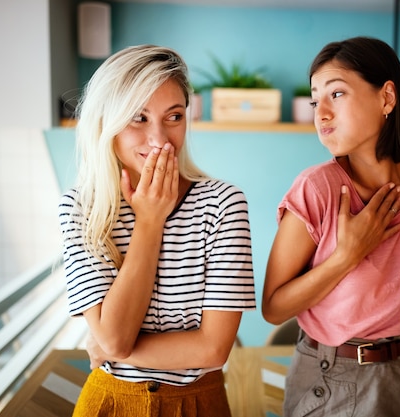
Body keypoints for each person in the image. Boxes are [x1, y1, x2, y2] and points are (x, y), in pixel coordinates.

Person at [261, 36, 400, 416]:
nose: (321, 113)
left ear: (387, 98)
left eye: (337, 94)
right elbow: (273, 308)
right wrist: (346, 256)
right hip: (332, 378)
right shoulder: (317, 190)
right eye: (316, 100)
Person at [58, 45, 255, 417]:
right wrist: (149, 222)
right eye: (138, 118)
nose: (160, 139)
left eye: (174, 116)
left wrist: (111, 349)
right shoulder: (82, 207)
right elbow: (115, 337)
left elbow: (214, 349)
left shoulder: (223, 203)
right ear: (106, 123)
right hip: (110, 402)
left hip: (200, 402)